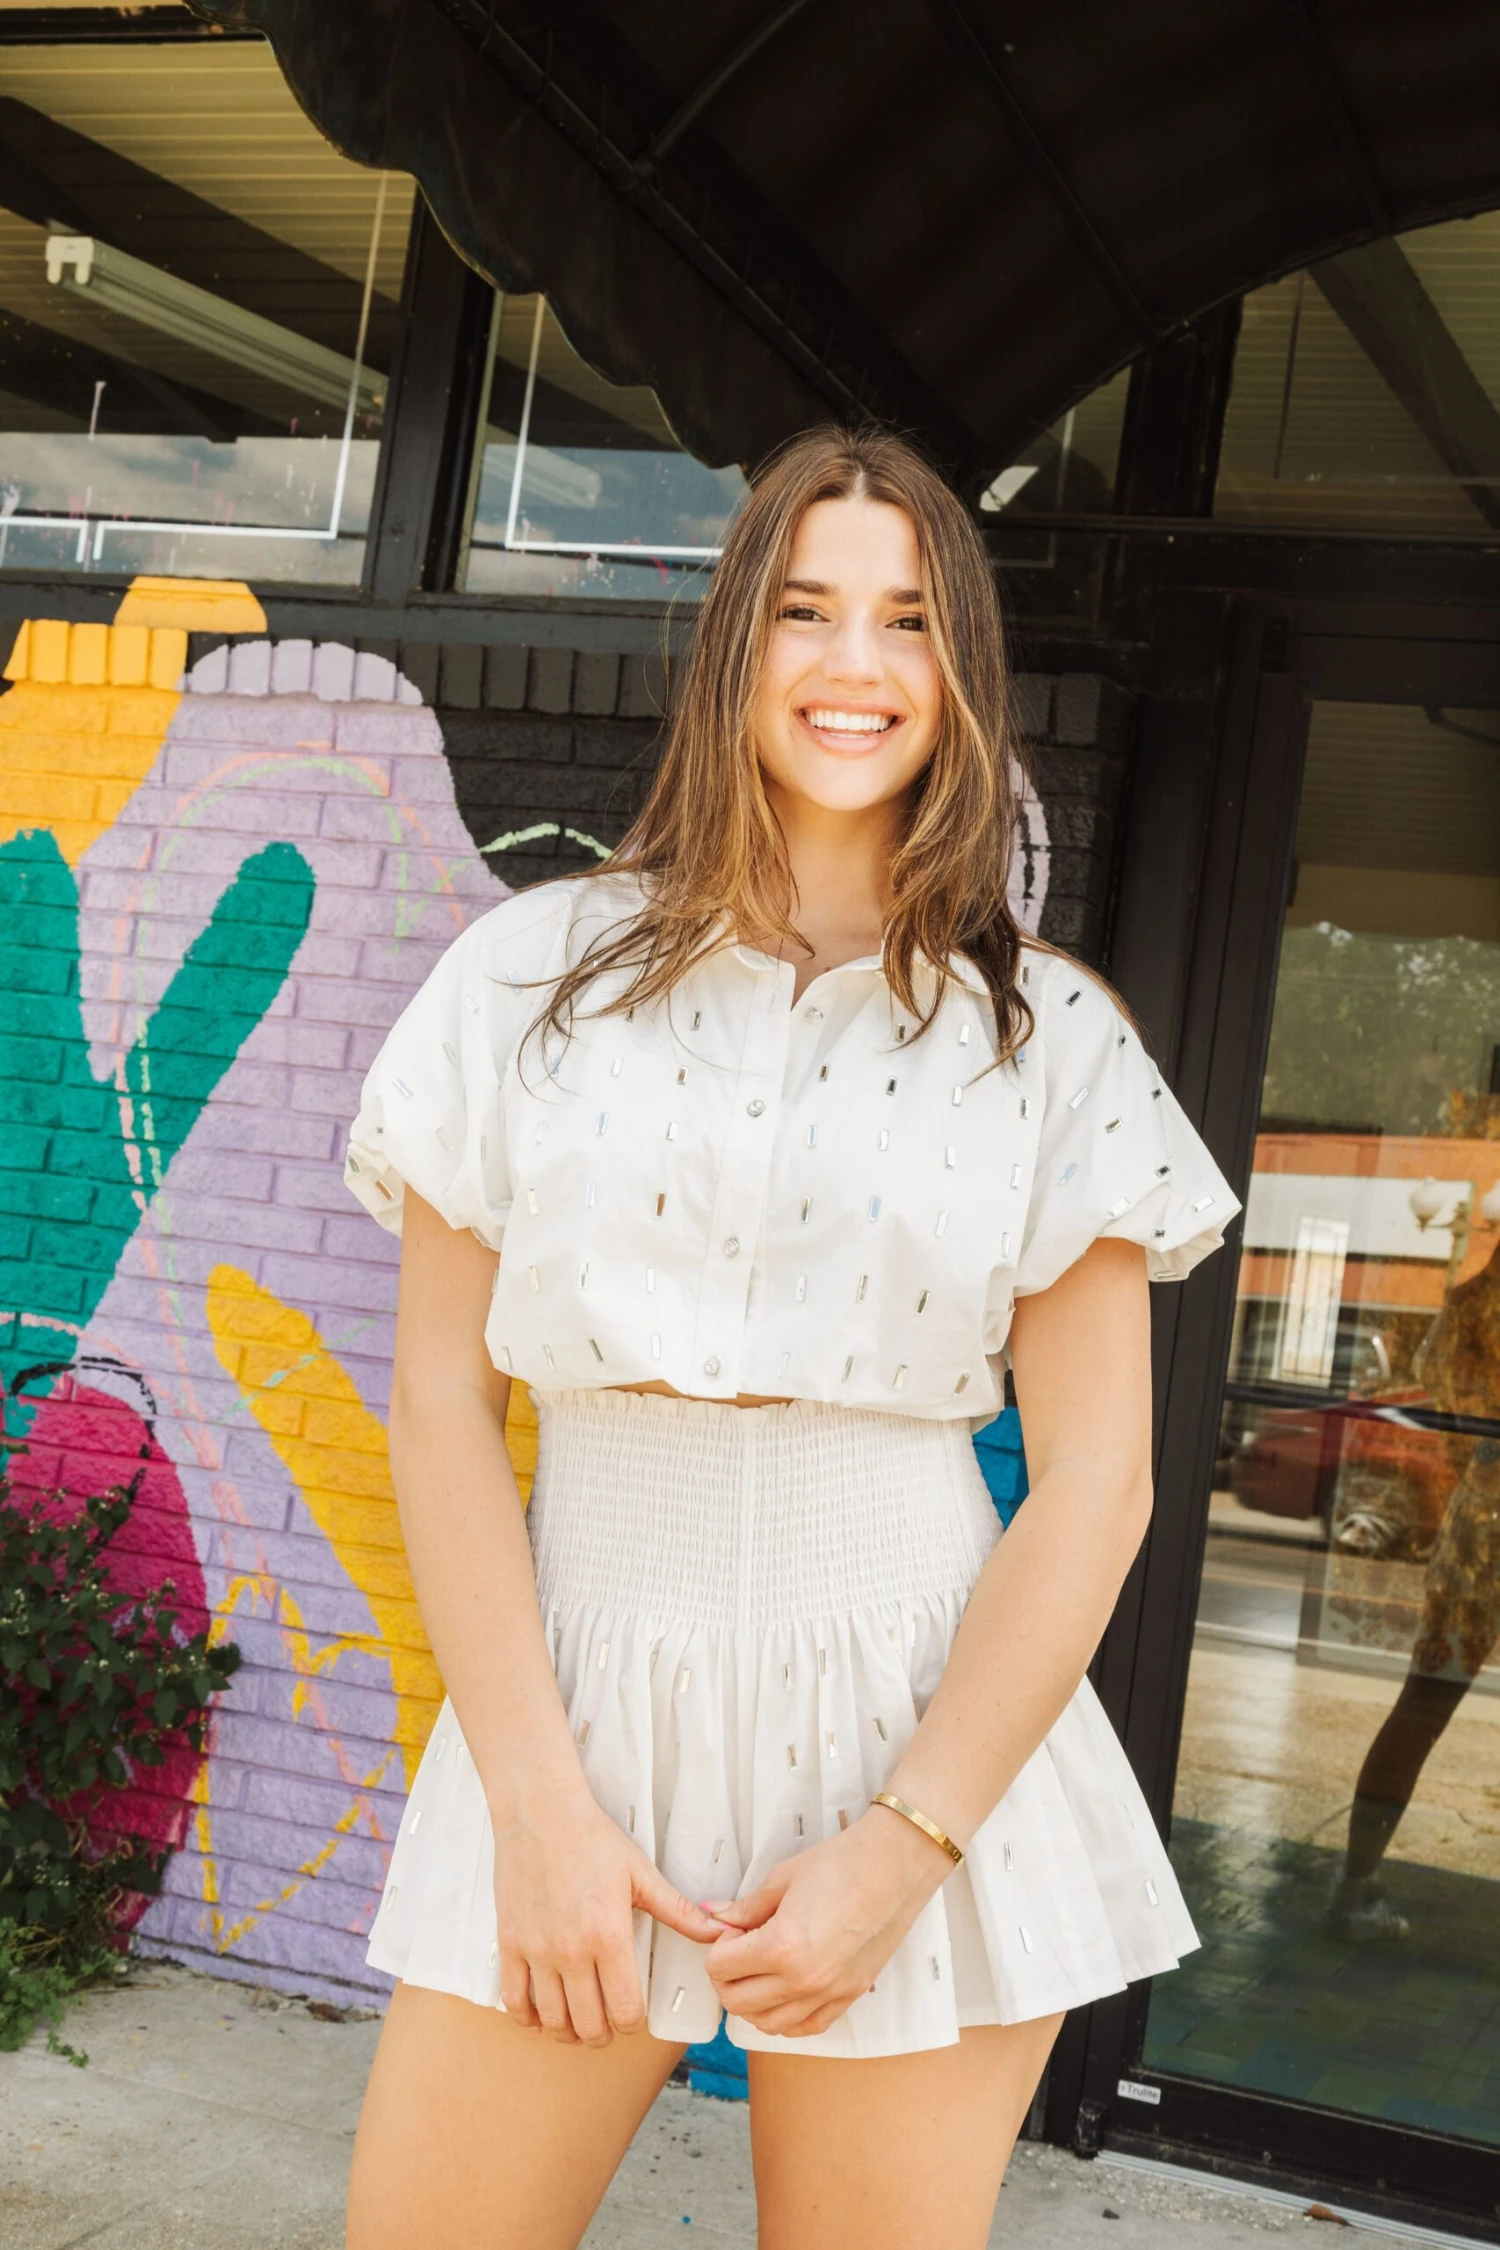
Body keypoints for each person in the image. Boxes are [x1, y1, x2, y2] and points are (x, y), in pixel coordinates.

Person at [341, 424, 1239, 2250]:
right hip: (575, 1704)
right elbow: (441, 1402)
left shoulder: (1049, 1040)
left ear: (960, 679)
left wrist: (909, 1845)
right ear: (735, 645)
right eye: (807, 610)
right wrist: (536, 1801)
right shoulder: (523, 981)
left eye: (908, 622)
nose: (853, 664)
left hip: (922, 1716)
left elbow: (1099, 1480)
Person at [1328, 1236, 1500, 1942]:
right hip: (1485, 1519)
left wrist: (1476, 1450)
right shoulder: (1479, 1298)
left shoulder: (1477, 1297)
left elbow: (1435, 1368)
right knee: (1424, 1702)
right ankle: (1356, 1884)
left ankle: (1356, 1883)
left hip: (1484, 1511)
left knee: (1424, 1703)